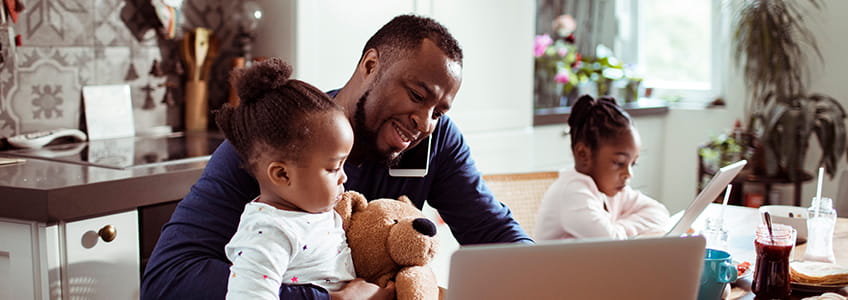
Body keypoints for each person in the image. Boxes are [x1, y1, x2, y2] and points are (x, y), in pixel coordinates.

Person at [141, 14, 532, 300]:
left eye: (439, 111)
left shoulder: (437, 142)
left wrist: (553, 275)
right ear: (370, 65)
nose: (425, 123)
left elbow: (493, 235)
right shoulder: (276, 141)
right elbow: (168, 281)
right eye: (416, 95)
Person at [216, 58, 360, 299]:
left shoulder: (314, 213)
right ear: (282, 174)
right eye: (334, 167)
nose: (344, 176)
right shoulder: (269, 232)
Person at [534, 95, 670, 240]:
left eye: (633, 164)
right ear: (583, 154)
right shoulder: (572, 192)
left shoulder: (613, 191)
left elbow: (660, 213)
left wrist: (619, 228)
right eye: (619, 163)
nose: (628, 174)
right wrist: (621, 231)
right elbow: (610, 242)